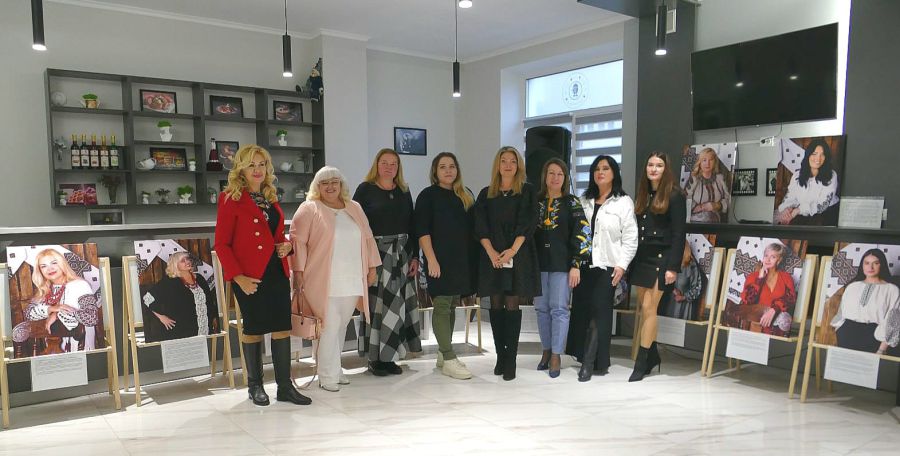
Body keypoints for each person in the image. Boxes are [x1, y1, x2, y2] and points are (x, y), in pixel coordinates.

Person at [215, 144, 310, 406]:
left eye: (262, 164)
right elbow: (221, 244)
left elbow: (276, 235)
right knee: (254, 329)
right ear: (241, 169)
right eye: (251, 165)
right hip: (249, 276)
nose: (257, 170)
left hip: (275, 271)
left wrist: (287, 245)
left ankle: (285, 388)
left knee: (282, 328)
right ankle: (254, 386)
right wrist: (238, 278)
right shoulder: (230, 198)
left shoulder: (270, 196)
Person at [291, 166, 381, 392]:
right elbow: (298, 242)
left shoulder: (354, 207)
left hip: (352, 277)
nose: (330, 187)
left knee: (341, 325)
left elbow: (368, 238)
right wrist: (298, 273)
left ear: (341, 185)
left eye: (334, 182)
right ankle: (326, 375)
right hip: (322, 279)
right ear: (317, 186)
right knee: (328, 327)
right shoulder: (310, 208)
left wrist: (372, 267)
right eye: (324, 183)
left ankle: (335, 368)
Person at [566, 155, 637, 382]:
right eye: (597, 169)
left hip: (608, 267)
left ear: (614, 173)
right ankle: (590, 359)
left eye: (605, 168)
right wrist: (574, 264)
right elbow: (575, 234)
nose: (600, 172)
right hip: (584, 267)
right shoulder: (583, 200)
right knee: (583, 312)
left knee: (600, 312)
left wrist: (622, 265)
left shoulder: (623, 202)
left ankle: (588, 364)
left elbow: (631, 237)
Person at [353, 148, 422, 376]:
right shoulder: (365, 190)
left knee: (397, 306)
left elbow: (413, 225)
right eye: (384, 162)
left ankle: (391, 357)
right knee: (378, 307)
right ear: (377, 164)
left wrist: (415, 256)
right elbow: (357, 225)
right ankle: (375, 359)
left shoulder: (404, 190)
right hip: (376, 256)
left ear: (398, 167)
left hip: (402, 256)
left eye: (393, 163)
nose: (389, 167)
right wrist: (366, 259)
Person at [475, 146, 541, 381]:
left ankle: (511, 359)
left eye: (513, 161)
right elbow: (480, 226)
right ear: (498, 165)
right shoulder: (486, 194)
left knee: (512, 304)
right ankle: (500, 357)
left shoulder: (527, 191)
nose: (508, 165)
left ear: (518, 166)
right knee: (495, 305)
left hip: (517, 254)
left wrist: (512, 250)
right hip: (492, 256)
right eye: (504, 160)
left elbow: (529, 222)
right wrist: (492, 252)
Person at [415, 152, 478, 380]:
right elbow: (422, 231)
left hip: (461, 261)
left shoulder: (466, 195)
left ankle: (444, 354)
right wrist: (431, 259)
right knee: (441, 304)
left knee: (451, 305)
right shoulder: (427, 196)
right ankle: (450, 358)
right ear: (435, 171)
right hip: (438, 261)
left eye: (452, 166)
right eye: (443, 167)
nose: (448, 170)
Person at [629, 152, 686, 382]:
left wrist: (673, 267)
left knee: (650, 307)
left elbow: (679, 234)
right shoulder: (643, 194)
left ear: (666, 169)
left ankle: (642, 360)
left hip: (662, 259)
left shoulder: (675, 195)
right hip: (643, 257)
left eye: (659, 165)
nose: (654, 169)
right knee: (645, 309)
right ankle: (652, 356)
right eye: (650, 165)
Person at [533, 158, 590, 378]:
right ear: (544, 176)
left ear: (565, 178)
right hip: (538, 265)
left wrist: (576, 264)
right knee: (541, 309)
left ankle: (556, 354)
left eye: (560, 174)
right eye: (551, 173)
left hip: (562, 265)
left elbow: (582, 233)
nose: (555, 178)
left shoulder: (572, 203)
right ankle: (546, 350)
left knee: (559, 309)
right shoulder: (535, 202)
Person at [11, 248, 100, 357]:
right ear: (40, 271)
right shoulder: (44, 290)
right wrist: (51, 309)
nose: (50, 268)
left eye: (54, 263)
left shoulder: (79, 285)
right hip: (52, 351)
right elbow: (28, 313)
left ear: (62, 264)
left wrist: (57, 315)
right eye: (43, 266)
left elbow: (92, 317)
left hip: (78, 348)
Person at [830, 249, 900, 355]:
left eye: (875, 263)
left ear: (882, 265)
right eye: (867, 263)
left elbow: (893, 322)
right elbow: (841, 313)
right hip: (847, 333)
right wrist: (840, 330)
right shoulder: (852, 286)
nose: (870, 267)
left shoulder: (892, 290)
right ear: (862, 265)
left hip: (874, 337)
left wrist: (882, 349)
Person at [141, 251, 218, 342]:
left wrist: (214, 317)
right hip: (183, 331)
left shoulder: (199, 278)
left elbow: (209, 299)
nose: (187, 262)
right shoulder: (170, 282)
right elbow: (147, 299)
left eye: (187, 259)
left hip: (206, 328)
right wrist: (161, 317)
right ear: (175, 265)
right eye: (182, 261)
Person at [733, 243, 797, 337]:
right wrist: (760, 279)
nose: (768, 259)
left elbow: (791, 299)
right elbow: (748, 300)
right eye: (766, 255)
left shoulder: (786, 277)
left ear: (779, 260)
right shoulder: (753, 277)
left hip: (777, 331)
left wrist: (774, 309)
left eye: (773, 257)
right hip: (755, 328)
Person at [775, 139, 840, 225]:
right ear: (808, 155)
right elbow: (790, 197)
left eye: (822, 155)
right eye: (814, 154)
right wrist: (786, 209)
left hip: (826, 214)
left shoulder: (831, 175)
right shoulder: (797, 175)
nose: (818, 158)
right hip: (801, 213)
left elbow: (822, 205)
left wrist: (797, 210)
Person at [657, 244, 704, 320]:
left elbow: (697, 288)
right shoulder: (668, 261)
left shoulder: (692, 266)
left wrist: (683, 297)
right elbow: (659, 278)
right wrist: (672, 289)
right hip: (665, 305)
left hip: (682, 310)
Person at [684, 147, 730, 223]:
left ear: (715, 162)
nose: (707, 163)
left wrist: (717, 205)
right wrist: (701, 207)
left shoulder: (720, 178)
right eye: (704, 160)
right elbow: (686, 197)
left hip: (716, 218)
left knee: (710, 218)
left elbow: (728, 198)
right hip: (695, 217)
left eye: (711, 160)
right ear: (700, 162)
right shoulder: (694, 179)